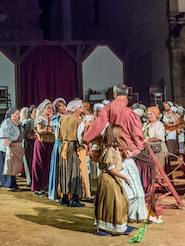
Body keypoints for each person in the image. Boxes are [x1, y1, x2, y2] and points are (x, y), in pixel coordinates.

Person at [84, 84, 147, 223]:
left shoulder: (108, 109)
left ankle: (118, 217)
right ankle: (135, 216)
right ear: (127, 94)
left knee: (117, 188)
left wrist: (90, 139)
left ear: (114, 93)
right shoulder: (131, 113)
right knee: (134, 185)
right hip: (127, 155)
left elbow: (96, 128)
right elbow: (138, 138)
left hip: (112, 153)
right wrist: (133, 151)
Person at [94, 125, 133, 236]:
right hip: (108, 179)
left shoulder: (114, 149)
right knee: (110, 203)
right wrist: (125, 177)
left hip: (113, 178)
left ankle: (118, 225)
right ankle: (104, 228)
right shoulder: (109, 150)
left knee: (120, 201)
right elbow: (110, 168)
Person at [57, 99, 85, 207]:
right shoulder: (78, 121)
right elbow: (80, 137)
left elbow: (58, 135)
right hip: (73, 147)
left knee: (64, 171)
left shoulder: (62, 119)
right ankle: (74, 199)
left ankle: (64, 198)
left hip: (63, 146)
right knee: (74, 171)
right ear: (77, 109)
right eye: (81, 107)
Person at [31, 100, 54, 196]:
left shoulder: (52, 118)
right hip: (41, 143)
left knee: (48, 165)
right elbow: (39, 130)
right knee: (39, 164)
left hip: (50, 143)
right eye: (48, 107)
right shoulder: (41, 118)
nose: (50, 109)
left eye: (51, 108)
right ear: (43, 108)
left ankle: (46, 185)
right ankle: (37, 187)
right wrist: (49, 130)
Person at [0, 107, 24, 191]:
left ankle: (13, 183)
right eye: (16, 114)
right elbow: (4, 137)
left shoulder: (19, 123)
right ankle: (8, 184)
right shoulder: (6, 123)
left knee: (15, 166)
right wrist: (9, 146)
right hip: (8, 147)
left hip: (16, 146)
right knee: (9, 166)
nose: (18, 115)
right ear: (11, 115)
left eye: (18, 114)